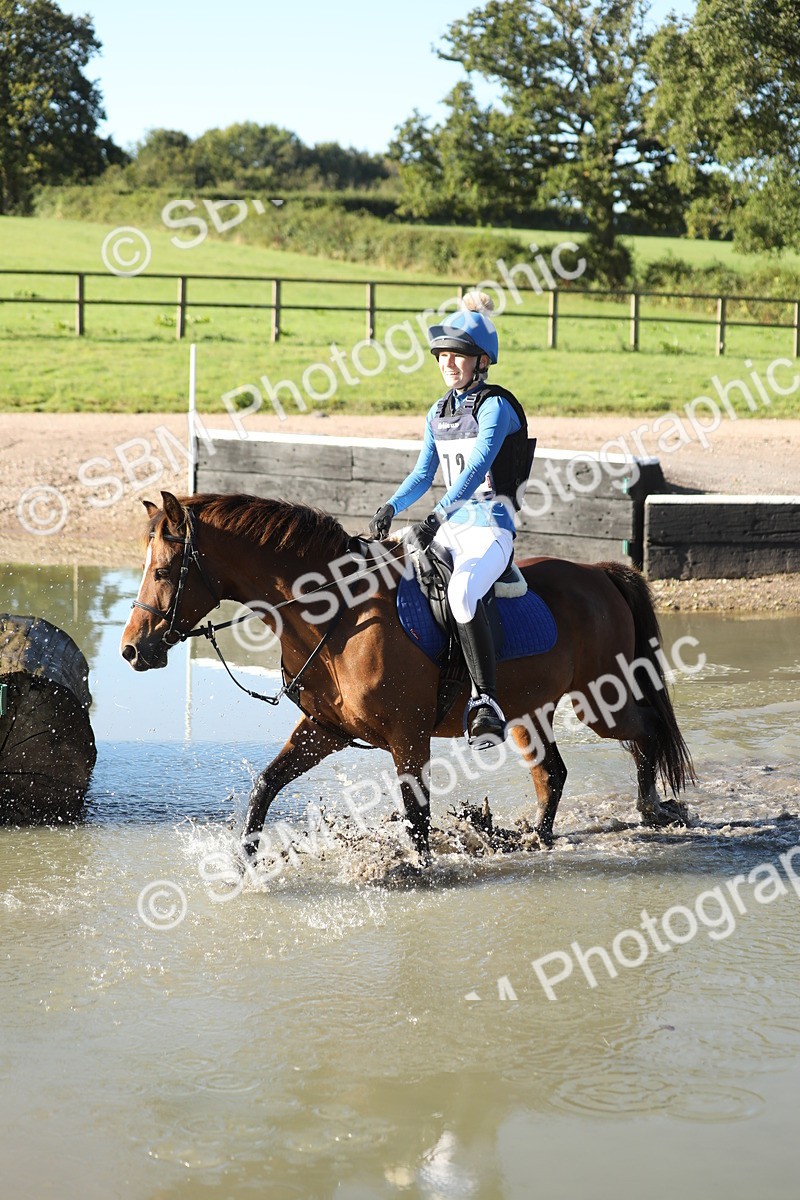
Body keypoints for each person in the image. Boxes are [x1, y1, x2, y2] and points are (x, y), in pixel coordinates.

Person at [369, 293, 529, 746]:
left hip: (489, 527)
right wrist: (392, 506)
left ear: (482, 361)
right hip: (451, 528)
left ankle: (487, 702)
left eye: (457, 355)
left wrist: (437, 516)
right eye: (442, 355)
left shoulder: (495, 407)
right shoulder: (437, 412)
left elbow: (477, 469)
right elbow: (423, 474)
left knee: (461, 591)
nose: (448, 363)